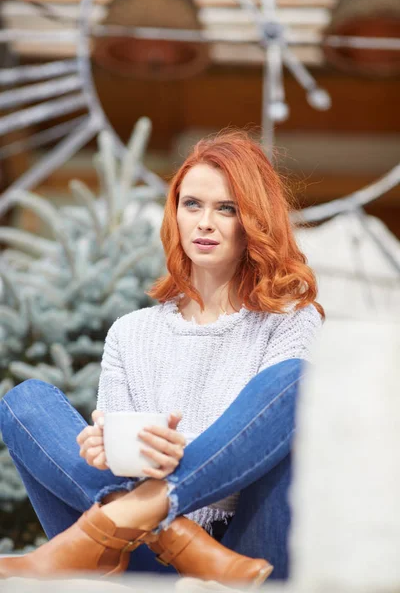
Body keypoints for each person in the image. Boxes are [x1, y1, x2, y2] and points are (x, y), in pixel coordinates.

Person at [0, 129, 324, 585]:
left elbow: (263, 455)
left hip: (246, 547)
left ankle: (129, 525)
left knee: (296, 380)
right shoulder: (130, 333)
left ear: (254, 220)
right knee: (25, 401)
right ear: (175, 214)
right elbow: (122, 468)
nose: (205, 222)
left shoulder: (290, 321)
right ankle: (176, 539)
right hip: (137, 550)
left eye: (226, 208)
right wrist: (104, 453)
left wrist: (176, 457)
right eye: (192, 204)